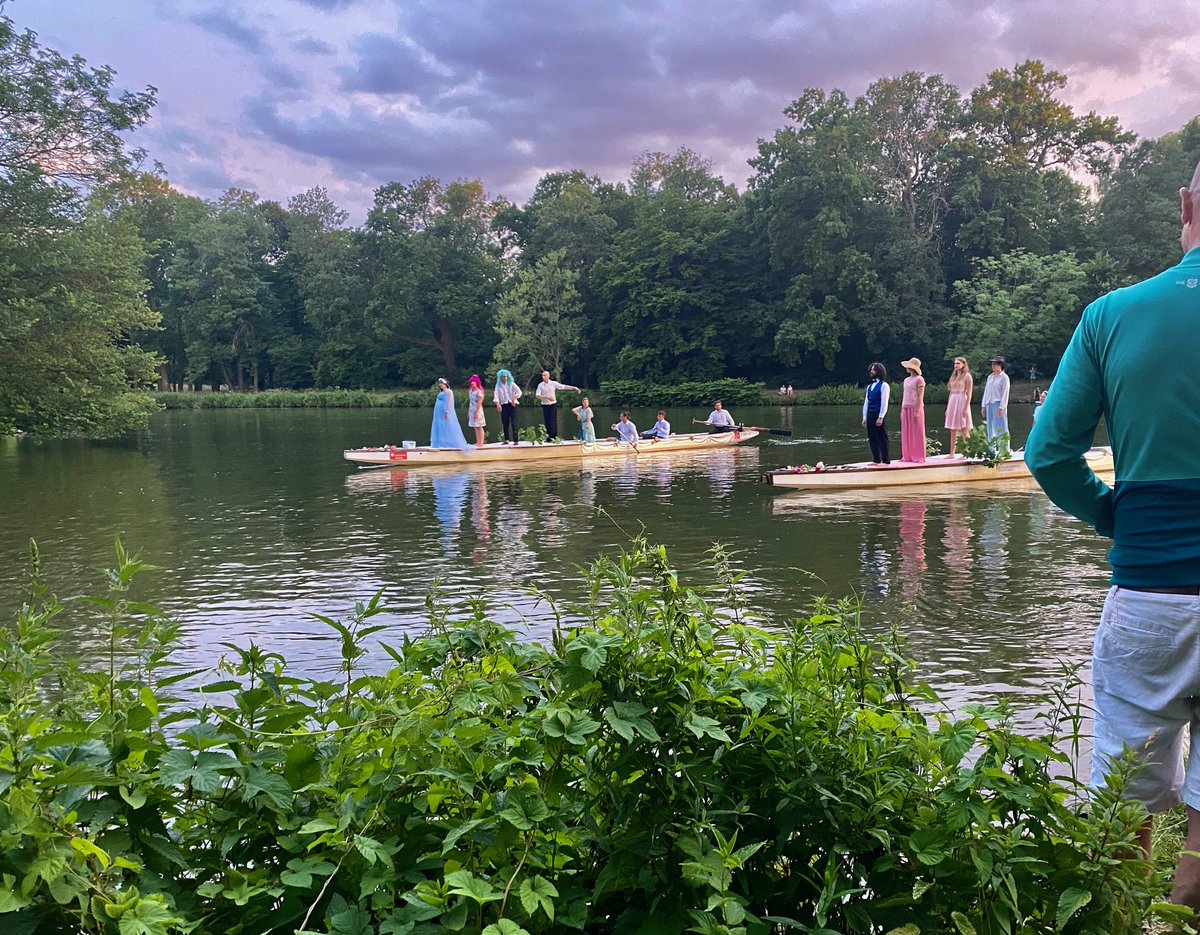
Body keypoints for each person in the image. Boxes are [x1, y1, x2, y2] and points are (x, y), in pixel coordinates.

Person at [1025, 157, 1200, 911]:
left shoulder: (1111, 314)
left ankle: (1123, 922)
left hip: (1150, 592)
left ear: (1188, 202)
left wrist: (1110, 513)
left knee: (1124, 807)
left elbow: (1048, 452)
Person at [534, 370, 579, 440]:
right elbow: (537, 395)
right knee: (547, 421)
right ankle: (548, 437)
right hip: (545, 405)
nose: (543, 377)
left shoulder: (553, 383)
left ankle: (553, 437)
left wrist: (574, 388)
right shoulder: (540, 385)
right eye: (542, 375)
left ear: (548, 376)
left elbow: (563, 387)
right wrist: (547, 397)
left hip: (552, 405)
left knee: (552, 421)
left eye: (545, 375)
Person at [861, 362, 890, 464]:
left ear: (879, 372)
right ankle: (876, 459)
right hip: (870, 414)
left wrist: (881, 416)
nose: (871, 372)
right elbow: (866, 403)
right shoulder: (869, 387)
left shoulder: (884, 385)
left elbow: (884, 402)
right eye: (871, 369)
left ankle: (886, 460)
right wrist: (864, 417)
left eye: (874, 370)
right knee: (872, 437)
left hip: (878, 413)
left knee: (882, 437)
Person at [429, 378, 471, 449]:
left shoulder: (449, 391)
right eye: (440, 384)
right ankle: (439, 443)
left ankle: (448, 443)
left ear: (445, 384)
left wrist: (447, 411)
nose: (440, 385)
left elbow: (449, 402)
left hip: (444, 411)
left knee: (447, 425)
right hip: (438, 413)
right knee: (439, 425)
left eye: (441, 383)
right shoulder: (440, 392)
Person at [981, 356, 1011, 452]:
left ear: (1000, 365)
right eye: (992, 364)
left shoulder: (1004, 377)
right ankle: (991, 450)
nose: (993, 366)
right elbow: (986, 392)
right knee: (990, 427)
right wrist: (983, 406)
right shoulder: (990, 377)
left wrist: (1002, 407)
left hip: (998, 403)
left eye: (995, 364)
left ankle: (1004, 450)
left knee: (1001, 427)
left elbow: (1005, 393)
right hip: (989, 403)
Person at [944, 357, 973, 456]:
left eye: (958, 363)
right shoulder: (954, 376)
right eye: (955, 363)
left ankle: (967, 452)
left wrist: (965, 408)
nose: (956, 365)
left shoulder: (967, 376)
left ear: (963, 364)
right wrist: (948, 408)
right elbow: (951, 393)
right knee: (952, 429)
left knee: (964, 428)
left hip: (962, 400)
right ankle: (952, 453)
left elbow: (969, 394)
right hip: (953, 401)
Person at [899, 357, 926, 463]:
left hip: (915, 407)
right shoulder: (906, 380)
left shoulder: (919, 379)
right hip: (906, 407)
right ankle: (907, 456)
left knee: (917, 432)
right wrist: (902, 410)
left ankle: (919, 456)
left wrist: (917, 410)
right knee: (906, 432)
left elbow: (920, 396)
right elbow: (904, 395)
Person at [493, 369, 522, 443]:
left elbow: (519, 392)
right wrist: (497, 404)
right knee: (505, 423)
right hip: (504, 405)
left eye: (506, 376)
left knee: (514, 422)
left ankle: (516, 440)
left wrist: (514, 398)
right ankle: (506, 439)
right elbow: (496, 395)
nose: (505, 378)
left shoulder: (511, 383)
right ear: (500, 377)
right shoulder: (498, 385)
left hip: (512, 405)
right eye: (503, 377)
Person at [467, 374, 486, 447]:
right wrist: (469, 412)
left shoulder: (479, 392)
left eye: (474, 382)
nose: (472, 383)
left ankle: (481, 442)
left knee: (479, 426)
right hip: (472, 410)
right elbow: (470, 402)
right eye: (471, 382)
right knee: (475, 426)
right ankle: (477, 441)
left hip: (477, 410)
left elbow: (479, 403)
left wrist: (476, 412)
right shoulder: (471, 391)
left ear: (477, 383)